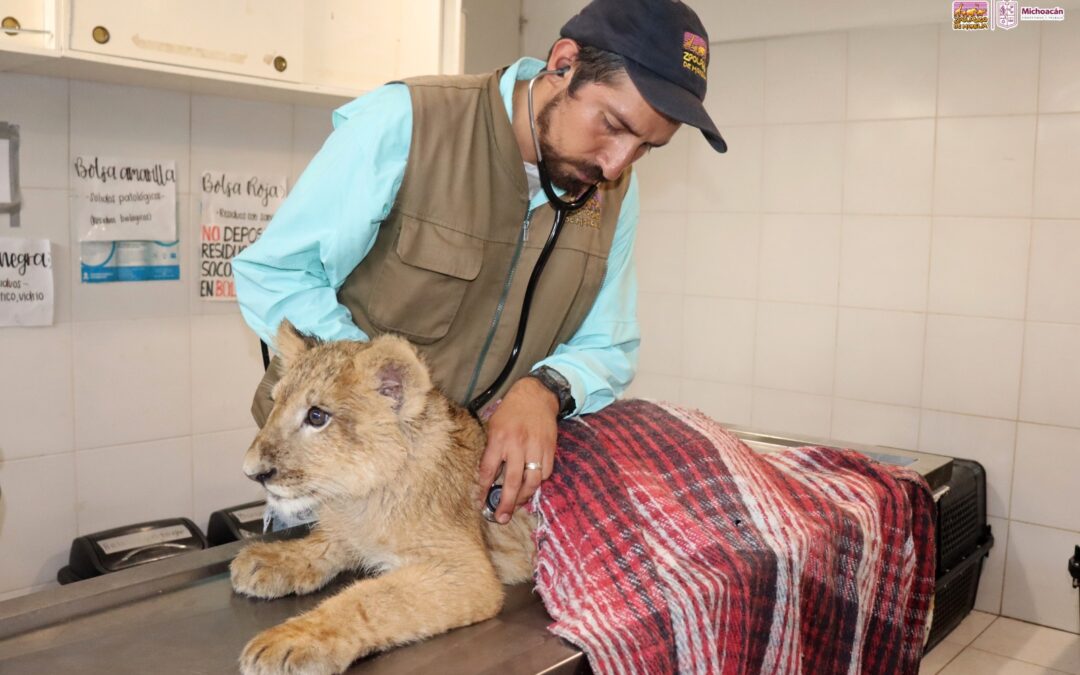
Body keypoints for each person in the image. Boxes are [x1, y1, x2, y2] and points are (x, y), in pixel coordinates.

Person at [233, 0, 727, 527]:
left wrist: (545, 390)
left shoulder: (615, 193)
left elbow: (609, 344)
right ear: (564, 64)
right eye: (611, 124)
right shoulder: (409, 122)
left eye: (647, 147)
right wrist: (365, 386)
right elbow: (278, 272)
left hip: (462, 490)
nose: (615, 164)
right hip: (334, 478)